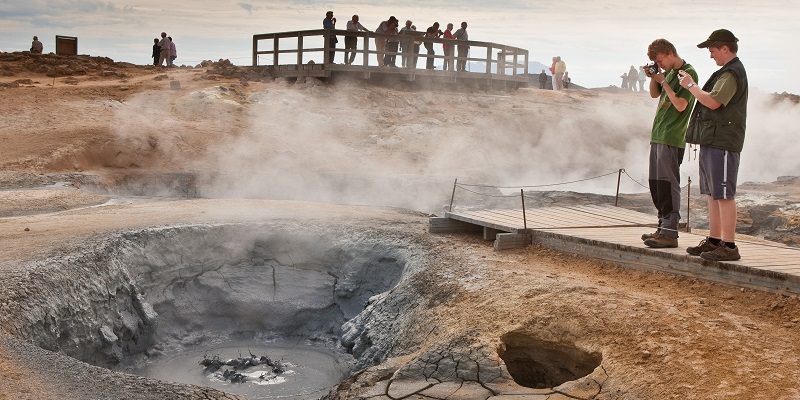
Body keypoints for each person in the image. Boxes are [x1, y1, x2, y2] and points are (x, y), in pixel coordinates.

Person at [680, 29, 748, 261]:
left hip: (723, 141)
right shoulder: (726, 72)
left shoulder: (731, 74)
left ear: (725, 48)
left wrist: (691, 85)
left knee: (724, 194)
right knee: (712, 192)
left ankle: (729, 247)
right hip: (714, 140)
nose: (710, 55)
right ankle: (715, 240)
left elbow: (713, 102)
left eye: (712, 50)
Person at [640, 39, 698, 249]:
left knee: (668, 184)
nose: (660, 64)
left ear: (670, 53)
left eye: (660, 60)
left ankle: (670, 233)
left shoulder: (687, 72)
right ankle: (663, 227)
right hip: (659, 135)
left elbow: (681, 105)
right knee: (657, 185)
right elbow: (655, 94)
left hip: (672, 137)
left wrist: (663, 80)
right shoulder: (669, 74)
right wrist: (654, 78)